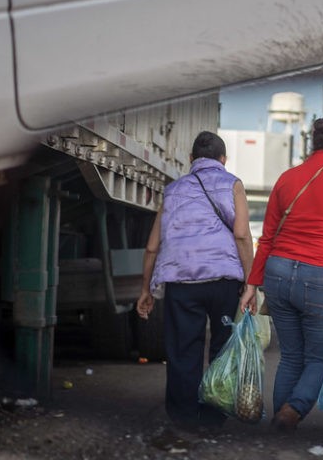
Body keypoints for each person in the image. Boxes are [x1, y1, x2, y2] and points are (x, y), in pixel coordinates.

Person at [239, 114, 323, 432]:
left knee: (291, 357)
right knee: (320, 358)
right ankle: (290, 413)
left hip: (279, 274)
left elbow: (267, 237)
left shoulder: (287, 177)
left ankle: (282, 425)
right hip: (322, 278)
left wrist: (251, 285)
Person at [137, 131, 254, 430]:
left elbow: (153, 245)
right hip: (223, 281)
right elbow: (241, 234)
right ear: (223, 159)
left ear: (190, 159)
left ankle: (184, 418)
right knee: (222, 346)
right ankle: (215, 416)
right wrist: (251, 282)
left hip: (181, 281)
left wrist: (146, 289)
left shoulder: (173, 190)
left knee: (182, 349)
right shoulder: (233, 184)